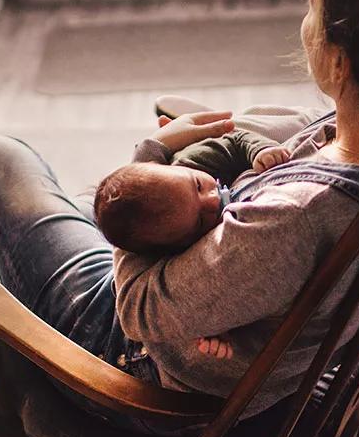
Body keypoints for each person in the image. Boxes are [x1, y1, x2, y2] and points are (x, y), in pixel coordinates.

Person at [0, 0, 359, 434]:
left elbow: (138, 312)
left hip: (138, 372)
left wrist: (147, 162)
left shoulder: (295, 220)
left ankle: (26, 365)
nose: (304, 25)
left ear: (340, 64)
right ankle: (28, 321)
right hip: (220, 334)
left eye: (310, 7)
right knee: (75, 201)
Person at [94, 130, 292, 358]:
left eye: (198, 186)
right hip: (118, 324)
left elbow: (236, 140)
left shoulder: (192, 161)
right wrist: (213, 326)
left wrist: (260, 150)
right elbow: (210, 297)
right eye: (199, 221)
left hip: (113, 304)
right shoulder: (180, 253)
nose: (212, 200)